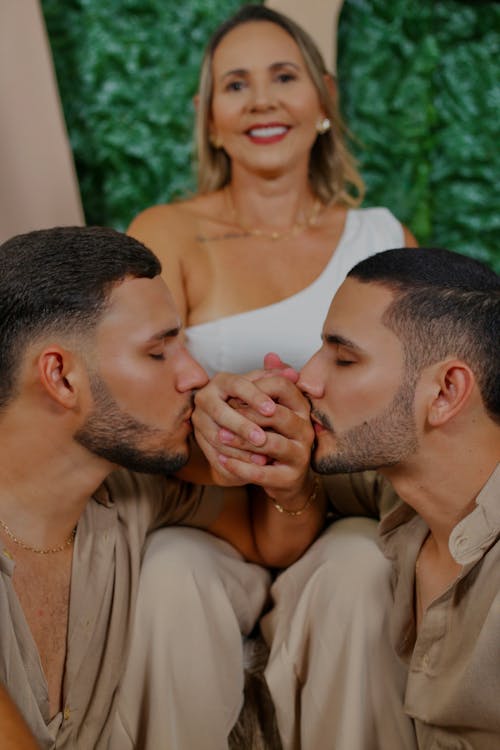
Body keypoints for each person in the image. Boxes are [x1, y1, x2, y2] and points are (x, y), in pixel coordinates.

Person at [121, 4, 418, 750]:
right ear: (210, 117)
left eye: (284, 77)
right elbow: (130, 387)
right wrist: (226, 437)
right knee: (167, 573)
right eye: (236, 85)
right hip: (201, 513)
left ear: (323, 99)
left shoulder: (383, 240)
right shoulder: (166, 232)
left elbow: (412, 411)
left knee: (362, 572)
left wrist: (302, 474)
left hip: (342, 510)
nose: (261, 100)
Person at [0, 225, 319, 750]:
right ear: (60, 376)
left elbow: (272, 540)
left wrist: (285, 475)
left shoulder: (127, 497)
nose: (195, 375)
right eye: (158, 352)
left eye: (184, 346)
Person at [202, 246, 500, 748]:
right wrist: (228, 417)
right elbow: (284, 463)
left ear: (447, 391)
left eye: (343, 358)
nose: (309, 378)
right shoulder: (400, 483)